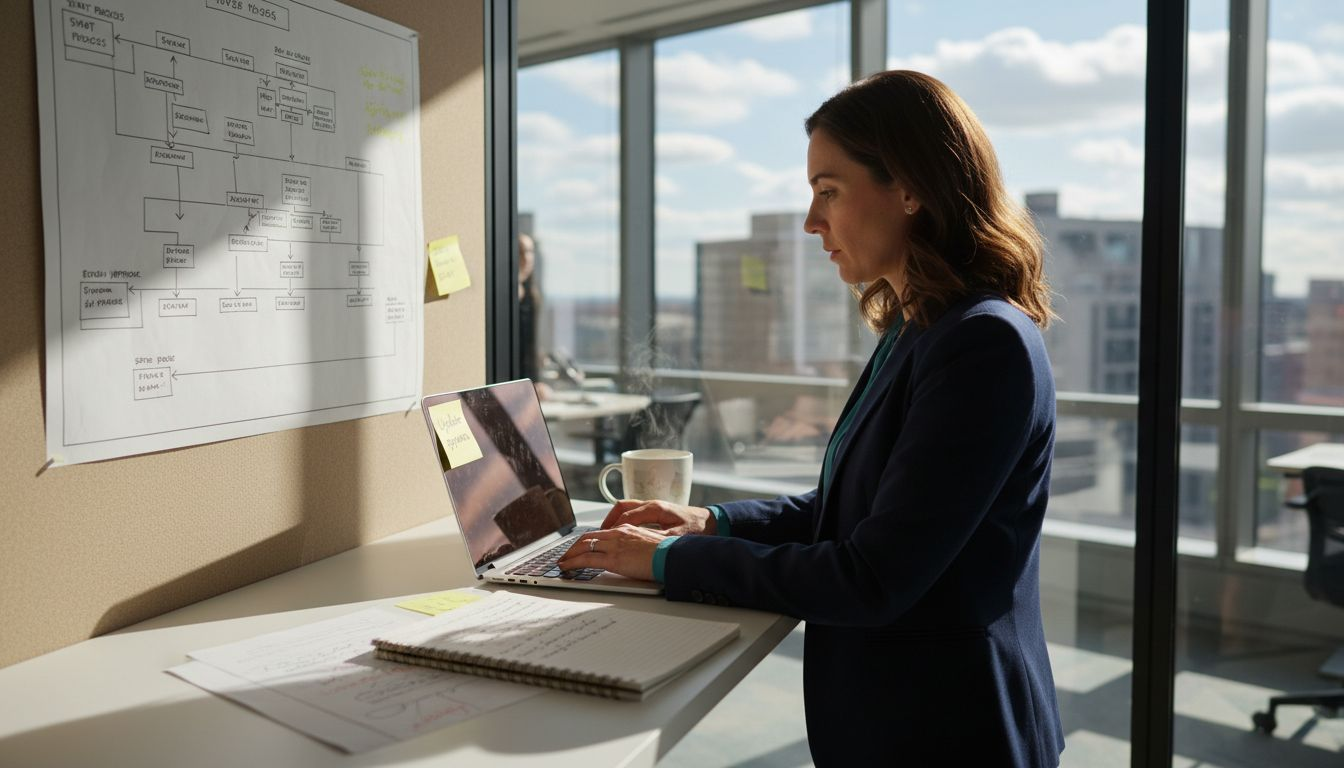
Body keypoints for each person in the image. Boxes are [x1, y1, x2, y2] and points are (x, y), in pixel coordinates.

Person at [560, 69, 1064, 767]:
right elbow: (852, 511)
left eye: (829, 191)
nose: (811, 222)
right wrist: (713, 522)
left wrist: (673, 560)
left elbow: (873, 575)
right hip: (901, 720)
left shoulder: (983, 343)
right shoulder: (918, 329)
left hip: (948, 731)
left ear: (912, 187)